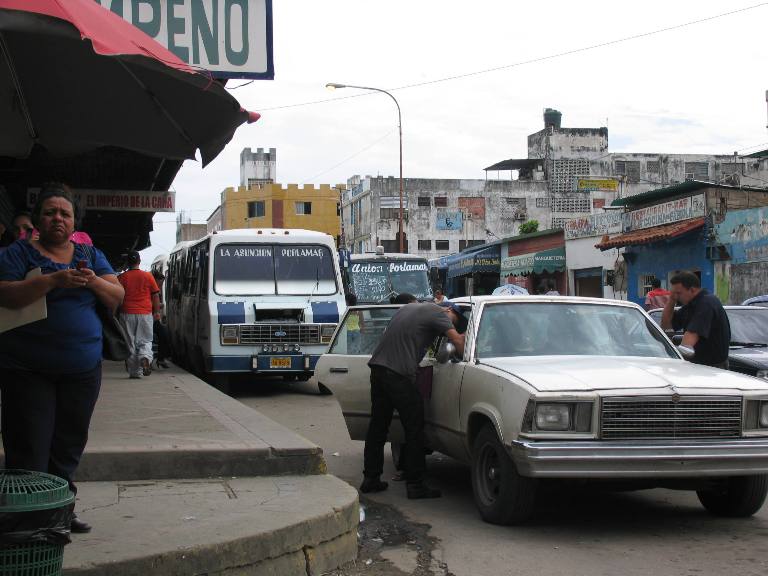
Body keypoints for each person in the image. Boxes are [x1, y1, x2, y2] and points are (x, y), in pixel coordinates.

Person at [0, 183, 124, 534]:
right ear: (39, 219)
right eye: (51, 212)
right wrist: (52, 280)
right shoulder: (19, 253)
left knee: (69, 443)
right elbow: (5, 294)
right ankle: (29, 518)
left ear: (74, 221)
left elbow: (117, 295)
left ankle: (60, 511)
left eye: (65, 213)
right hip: (26, 369)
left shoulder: (91, 254)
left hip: (81, 368)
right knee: (30, 444)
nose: (58, 218)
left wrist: (91, 282)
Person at [362, 298, 465, 499]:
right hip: (398, 375)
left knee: (378, 426)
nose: (451, 325)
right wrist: (463, 342)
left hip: (378, 370)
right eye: (454, 321)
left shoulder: (408, 308)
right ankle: (415, 485)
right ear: (450, 310)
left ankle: (370, 479)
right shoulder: (439, 313)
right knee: (415, 427)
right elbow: (458, 342)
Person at [661, 271, 730, 368]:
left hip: (712, 369)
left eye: (678, 293)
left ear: (692, 290)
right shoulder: (690, 306)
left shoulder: (706, 303)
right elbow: (666, 326)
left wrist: (675, 360)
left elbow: (690, 338)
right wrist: (671, 300)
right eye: (674, 293)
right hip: (699, 366)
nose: (676, 296)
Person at [118, 250, 160, 378]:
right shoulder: (148, 276)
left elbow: (117, 296)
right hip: (145, 313)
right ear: (139, 261)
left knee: (130, 343)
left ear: (127, 262)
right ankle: (145, 357)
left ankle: (135, 372)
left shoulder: (122, 278)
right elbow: (155, 295)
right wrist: (157, 312)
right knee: (145, 340)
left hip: (126, 313)